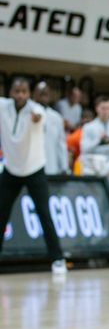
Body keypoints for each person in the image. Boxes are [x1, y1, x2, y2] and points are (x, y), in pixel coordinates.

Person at [0, 78, 66, 274]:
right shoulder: (3, 106)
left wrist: (36, 117)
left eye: (23, 91)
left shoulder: (37, 109)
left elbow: (38, 114)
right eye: (16, 91)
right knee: (1, 215)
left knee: (44, 214)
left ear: (29, 94)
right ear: (10, 92)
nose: (20, 95)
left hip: (34, 169)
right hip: (11, 169)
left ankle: (58, 259)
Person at [79, 97, 109, 175]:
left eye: (108, 108)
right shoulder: (88, 127)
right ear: (97, 109)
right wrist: (98, 140)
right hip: (94, 166)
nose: (106, 111)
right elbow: (84, 149)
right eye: (103, 108)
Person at [32, 82, 69, 175]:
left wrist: (64, 167)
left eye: (46, 93)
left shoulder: (56, 117)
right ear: (34, 95)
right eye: (41, 93)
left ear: (50, 96)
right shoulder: (27, 113)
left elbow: (61, 144)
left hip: (51, 166)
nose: (44, 96)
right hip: (30, 168)